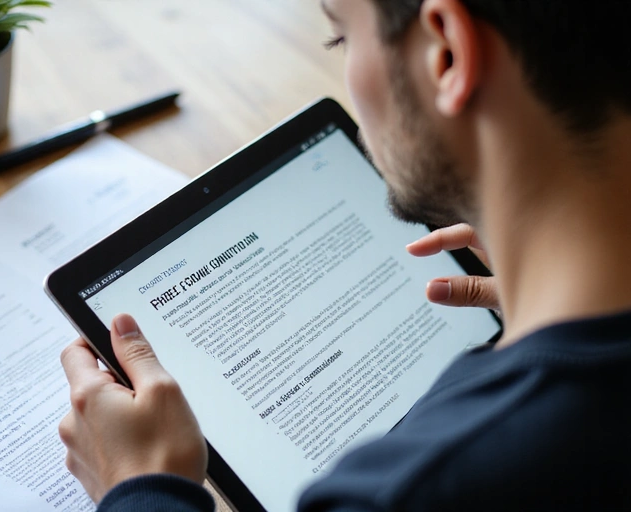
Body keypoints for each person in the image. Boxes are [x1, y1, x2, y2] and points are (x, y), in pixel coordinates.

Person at [58, 0, 631, 509]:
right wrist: (539, 297)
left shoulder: (405, 489)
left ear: (447, 54)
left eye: (343, 38)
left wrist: (142, 489)